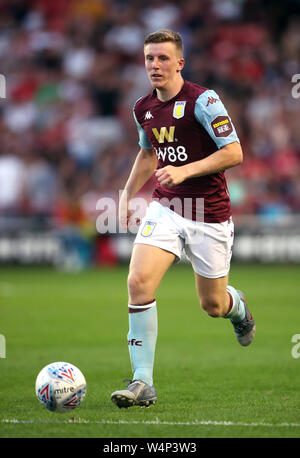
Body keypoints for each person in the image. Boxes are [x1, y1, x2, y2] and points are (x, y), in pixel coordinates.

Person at [111, 29, 255, 409]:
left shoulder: (204, 101)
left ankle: (237, 307)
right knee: (138, 282)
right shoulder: (143, 107)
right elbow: (148, 155)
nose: (154, 65)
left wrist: (186, 170)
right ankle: (143, 382)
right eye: (149, 59)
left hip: (209, 214)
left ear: (180, 63)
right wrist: (127, 194)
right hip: (167, 207)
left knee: (212, 306)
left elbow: (235, 152)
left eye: (162, 58)